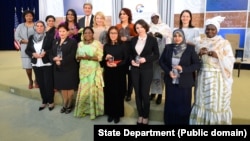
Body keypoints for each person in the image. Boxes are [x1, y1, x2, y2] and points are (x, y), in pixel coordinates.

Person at [189, 16, 235, 125]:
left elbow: (231, 60)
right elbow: (194, 59)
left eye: (212, 29)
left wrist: (218, 55)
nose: (209, 31)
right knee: (202, 101)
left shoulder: (224, 43)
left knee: (215, 103)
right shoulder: (200, 42)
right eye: (208, 29)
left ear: (217, 30)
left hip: (217, 78)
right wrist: (198, 53)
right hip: (203, 76)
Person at [159, 29, 200, 125]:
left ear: (183, 37)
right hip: (171, 80)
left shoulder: (190, 48)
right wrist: (168, 71)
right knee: (171, 102)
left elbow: (197, 64)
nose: (177, 38)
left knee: (183, 103)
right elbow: (161, 62)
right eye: (175, 36)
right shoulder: (168, 47)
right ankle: (169, 122)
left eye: (179, 36)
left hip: (185, 82)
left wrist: (183, 69)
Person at [130, 19, 159, 125]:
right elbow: (130, 54)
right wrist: (131, 61)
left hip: (147, 69)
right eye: (137, 28)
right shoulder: (133, 40)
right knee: (137, 93)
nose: (139, 29)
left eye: (141, 27)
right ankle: (140, 115)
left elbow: (156, 55)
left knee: (145, 93)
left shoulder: (152, 39)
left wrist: (146, 59)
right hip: (135, 69)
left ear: (145, 27)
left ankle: (146, 115)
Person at [74, 27, 104, 120]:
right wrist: (80, 57)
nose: (87, 34)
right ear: (83, 34)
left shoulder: (97, 44)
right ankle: (83, 109)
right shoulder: (80, 44)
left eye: (89, 32)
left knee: (92, 89)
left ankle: (94, 111)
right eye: (85, 33)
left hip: (94, 70)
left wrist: (89, 57)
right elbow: (77, 57)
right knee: (84, 89)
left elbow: (100, 57)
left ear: (93, 33)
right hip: (83, 70)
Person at [25, 21, 55, 111]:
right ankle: (44, 101)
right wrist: (33, 54)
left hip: (46, 63)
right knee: (41, 83)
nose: (39, 27)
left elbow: (53, 49)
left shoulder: (49, 37)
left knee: (48, 83)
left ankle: (51, 101)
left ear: (44, 27)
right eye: (37, 26)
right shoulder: (31, 38)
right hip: (36, 64)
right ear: (35, 27)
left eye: (41, 26)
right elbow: (27, 50)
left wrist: (46, 52)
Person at [102, 26, 128, 123]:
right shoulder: (106, 46)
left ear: (118, 34)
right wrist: (106, 59)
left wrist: (116, 64)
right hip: (108, 72)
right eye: (111, 33)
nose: (113, 35)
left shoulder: (123, 45)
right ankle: (110, 113)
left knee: (118, 93)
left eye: (115, 33)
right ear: (108, 34)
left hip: (119, 72)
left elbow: (126, 59)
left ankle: (117, 114)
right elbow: (102, 62)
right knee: (109, 93)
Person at [51, 23, 79, 114]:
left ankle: (69, 104)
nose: (62, 33)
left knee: (69, 87)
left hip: (70, 68)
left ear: (67, 32)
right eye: (60, 31)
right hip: (59, 68)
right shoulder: (55, 41)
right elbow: (51, 53)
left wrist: (61, 61)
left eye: (64, 31)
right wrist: (54, 58)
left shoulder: (72, 42)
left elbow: (72, 55)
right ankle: (65, 104)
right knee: (63, 87)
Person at [148, 12, 172, 105]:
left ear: (159, 17)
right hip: (152, 54)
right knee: (152, 74)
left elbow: (169, 39)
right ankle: (153, 93)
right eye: (152, 18)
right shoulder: (149, 27)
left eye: (156, 17)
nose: (154, 19)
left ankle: (160, 95)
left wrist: (161, 36)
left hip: (162, 53)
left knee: (160, 75)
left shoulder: (165, 27)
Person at [116, 8, 137, 101]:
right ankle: (123, 92)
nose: (122, 15)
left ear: (128, 15)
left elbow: (137, 37)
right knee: (121, 74)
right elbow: (114, 37)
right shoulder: (117, 26)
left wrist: (127, 38)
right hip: (120, 53)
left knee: (131, 74)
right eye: (121, 14)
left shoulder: (133, 26)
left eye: (124, 14)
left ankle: (129, 93)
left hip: (131, 52)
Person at [14, 10, 38, 89]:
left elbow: (40, 34)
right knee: (28, 67)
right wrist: (24, 41)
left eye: (30, 16)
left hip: (36, 48)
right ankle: (30, 80)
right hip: (25, 48)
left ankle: (36, 80)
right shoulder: (20, 26)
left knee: (37, 66)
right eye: (27, 16)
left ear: (33, 17)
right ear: (24, 17)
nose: (29, 17)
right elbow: (16, 36)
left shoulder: (36, 25)